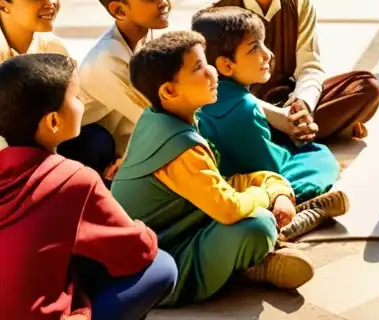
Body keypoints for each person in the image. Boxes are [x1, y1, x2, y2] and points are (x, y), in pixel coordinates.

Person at [111, 32, 315, 306]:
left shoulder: (160, 118)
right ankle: (256, 264)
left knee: (260, 195)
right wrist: (268, 196)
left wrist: (274, 185)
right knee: (258, 225)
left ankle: (267, 248)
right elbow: (228, 208)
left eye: (206, 62)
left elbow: (219, 182)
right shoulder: (180, 146)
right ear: (169, 91)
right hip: (162, 263)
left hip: (185, 228)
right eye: (198, 67)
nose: (212, 72)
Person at [0, 52, 177, 319]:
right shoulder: (73, 179)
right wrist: (141, 227)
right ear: (53, 121)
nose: (82, 103)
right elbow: (139, 251)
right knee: (163, 266)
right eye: (76, 97)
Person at [212, 0, 379, 143]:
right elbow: (219, 91)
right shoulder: (219, 14)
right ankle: (307, 130)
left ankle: (294, 129)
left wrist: (303, 102)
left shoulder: (298, 2)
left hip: (291, 100)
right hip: (249, 110)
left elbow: (309, 66)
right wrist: (275, 116)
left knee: (367, 86)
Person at [192, 6, 349, 242]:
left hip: (218, 182)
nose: (268, 54)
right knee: (320, 158)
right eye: (255, 47)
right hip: (245, 183)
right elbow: (269, 169)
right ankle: (300, 210)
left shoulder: (202, 94)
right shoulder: (245, 109)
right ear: (226, 65)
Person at [0, 0, 113, 173]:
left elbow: (78, 107)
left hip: (43, 142)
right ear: (3, 5)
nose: (51, 2)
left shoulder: (54, 48)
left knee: (96, 141)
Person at [79, 0, 171, 178]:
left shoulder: (148, 39)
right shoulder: (107, 59)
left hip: (131, 144)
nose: (163, 2)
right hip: (91, 154)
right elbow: (157, 121)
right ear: (119, 11)